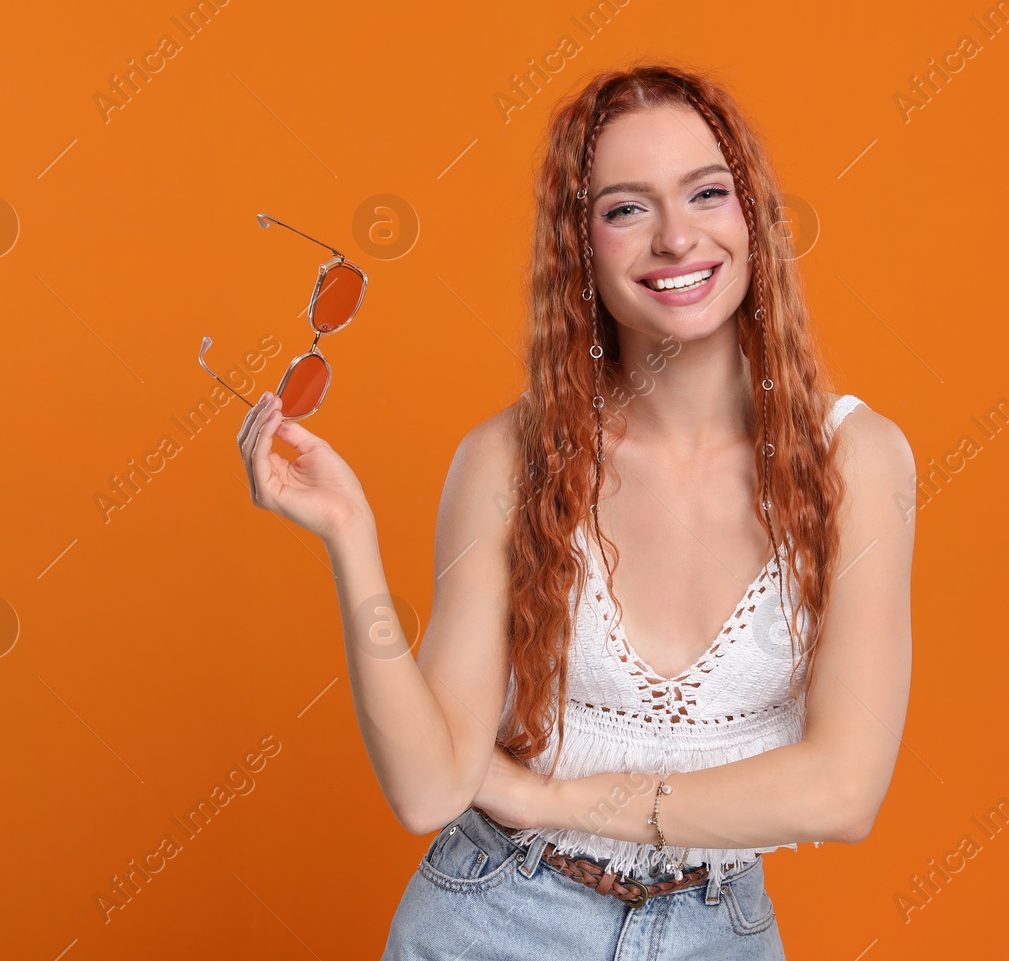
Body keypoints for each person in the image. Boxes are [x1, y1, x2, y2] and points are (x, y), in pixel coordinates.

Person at [234, 63, 916, 958]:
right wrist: (350, 538)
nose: (678, 237)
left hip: (720, 930)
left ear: (753, 216)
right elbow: (430, 786)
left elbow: (843, 790)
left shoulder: (857, 462)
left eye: (707, 193)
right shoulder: (508, 460)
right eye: (627, 209)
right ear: (579, 246)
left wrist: (552, 799)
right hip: (497, 918)